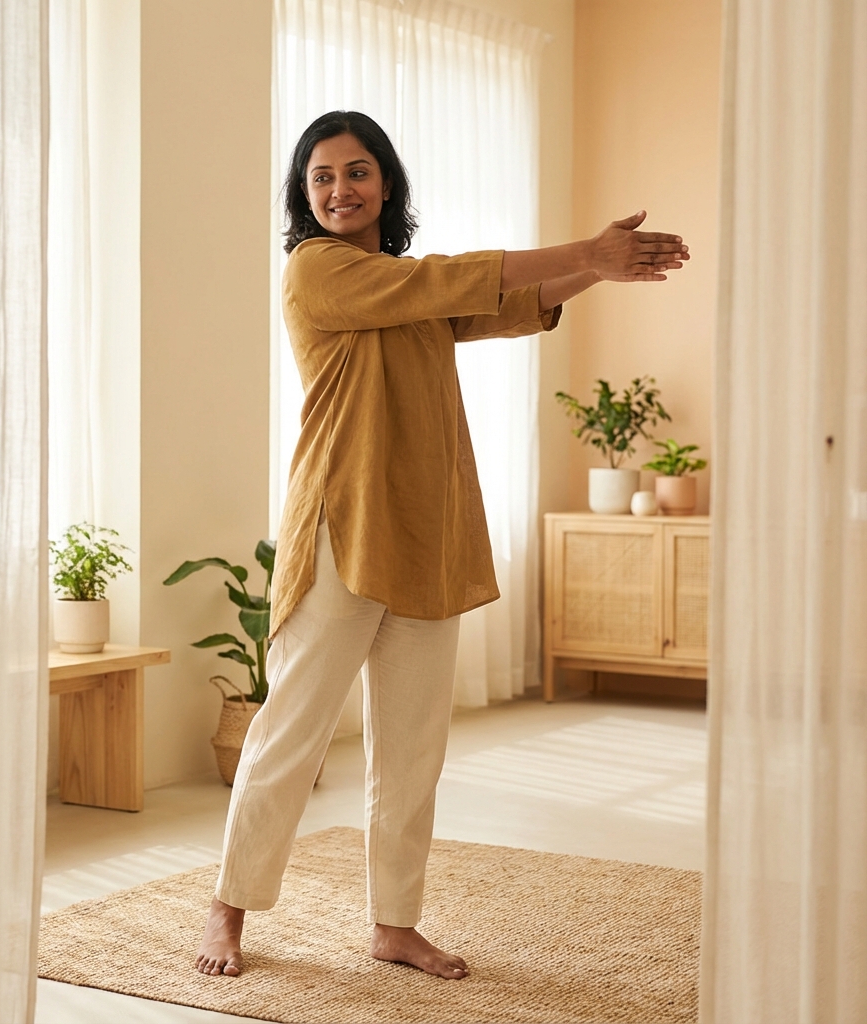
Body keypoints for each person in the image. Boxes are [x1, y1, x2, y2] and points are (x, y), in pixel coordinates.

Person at [195, 110, 689, 979]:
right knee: (290, 733)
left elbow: (499, 305)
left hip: (429, 534)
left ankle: (394, 924)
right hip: (344, 528)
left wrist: (596, 272)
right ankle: (227, 909)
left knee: (414, 746)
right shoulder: (316, 272)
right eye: (320, 177)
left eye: (354, 172)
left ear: (385, 182)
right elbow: (450, 280)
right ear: (304, 196)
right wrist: (588, 249)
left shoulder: (405, 284)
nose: (338, 189)